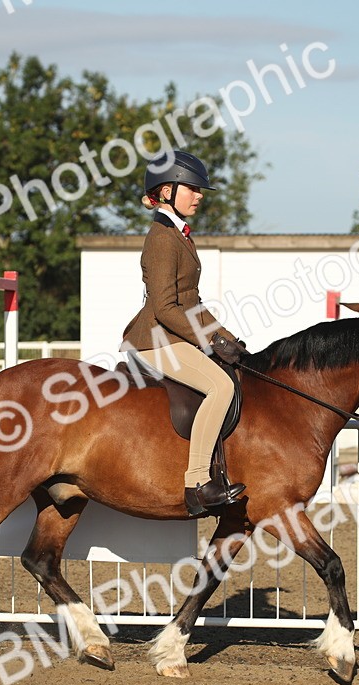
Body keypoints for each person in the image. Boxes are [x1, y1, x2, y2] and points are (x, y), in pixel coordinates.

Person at [120, 150, 247, 515]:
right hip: (156, 338)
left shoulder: (179, 235)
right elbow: (165, 308)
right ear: (165, 191)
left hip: (172, 333)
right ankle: (197, 483)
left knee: (232, 374)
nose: (200, 195)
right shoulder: (162, 238)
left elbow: (192, 301)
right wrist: (210, 339)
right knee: (220, 387)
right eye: (192, 188)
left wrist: (227, 336)